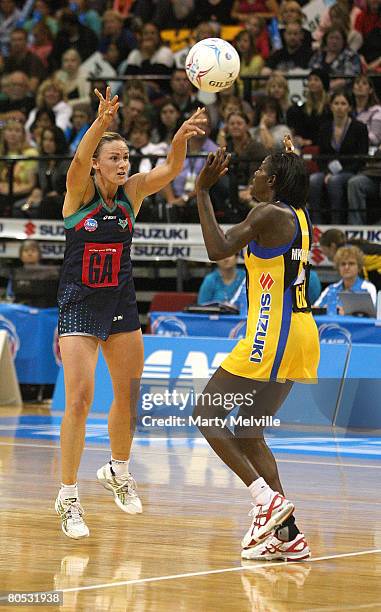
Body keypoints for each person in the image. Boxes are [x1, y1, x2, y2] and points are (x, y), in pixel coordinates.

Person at [55, 87, 206, 539]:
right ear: (100, 162)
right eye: (115, 158)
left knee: (129, 396)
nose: (124, 164)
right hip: (79, 305)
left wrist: (179, 138)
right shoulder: (79, 192)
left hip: (120, 304)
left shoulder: (132, 194)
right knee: (79, 401)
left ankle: (117, 470)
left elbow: (172, 169)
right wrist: (101, 121)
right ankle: (67, 497)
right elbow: (79, 161)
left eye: (127, 157)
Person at [193, 137, 319, 561]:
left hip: (273, 332)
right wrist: (289, 156)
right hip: (301, 332)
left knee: (205, 414)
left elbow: (217, 249)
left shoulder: (266, 213)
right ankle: (288, 535)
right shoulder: (299, 215)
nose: (254, 174)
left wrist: (202, 191)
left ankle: (265, 502)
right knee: (248, 428)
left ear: (276, 181)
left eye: (262, 169)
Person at [308, 90, 369, 224]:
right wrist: (326, 172)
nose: (339, 107)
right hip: (328, 170)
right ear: (331, 106)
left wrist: (336, 172)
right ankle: (315, 224)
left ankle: (337, 223)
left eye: (343, 103)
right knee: (313, 180)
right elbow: (320, 155)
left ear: (349, 107)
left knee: (334, 181)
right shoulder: (324, 127)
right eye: (336, 103)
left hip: (351, 169)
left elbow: (361, 157)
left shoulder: (359, 127)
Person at [314, 245, 377, 314]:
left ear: (359, 267)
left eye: (351, 263)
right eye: (343, 264)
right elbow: (314, 309)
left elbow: (371, 314)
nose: (346, 267)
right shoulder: (330, 289)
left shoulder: (368, 288)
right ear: (338, 267)